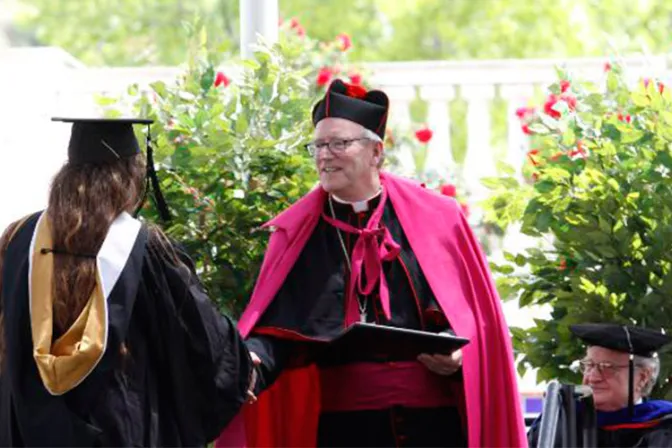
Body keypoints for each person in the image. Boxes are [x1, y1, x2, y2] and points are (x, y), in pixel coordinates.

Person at [216, 79, 526, 447]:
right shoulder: (297, 232)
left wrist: (460, 355)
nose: (324, 155)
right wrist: (253, 359)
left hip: (435, 428)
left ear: (376, 152)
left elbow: (475, 320)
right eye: (318, 145)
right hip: (346, 430)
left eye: (339, 143)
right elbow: (278, 328)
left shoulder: (438, 217)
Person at [0, 117, 255, 446]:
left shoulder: (19, 239)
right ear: (130, 176)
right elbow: (203, 342)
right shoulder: (145, 249)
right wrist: (244, 365)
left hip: (28, 432)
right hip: (122, 431)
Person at [528, 323, 672, 447]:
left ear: (642, 377)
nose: (593, 377)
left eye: (607, 367)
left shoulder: (663, 425)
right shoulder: (557, 420)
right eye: (589, 365)